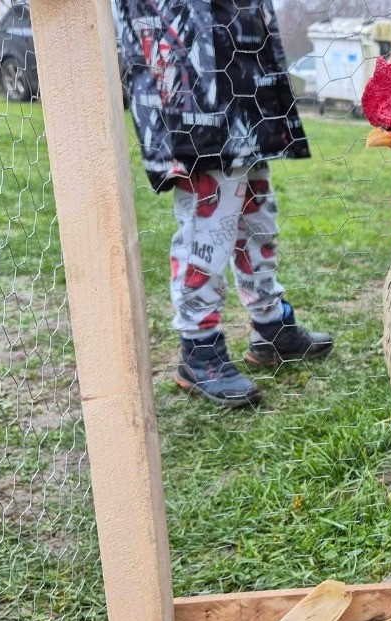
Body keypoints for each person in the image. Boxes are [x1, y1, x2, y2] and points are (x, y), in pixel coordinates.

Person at [115, 0, 333, 408]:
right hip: (187, 55)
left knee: (256, 204)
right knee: (210, 207)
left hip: (240, 52)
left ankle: (271, 327)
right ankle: (199, 348)